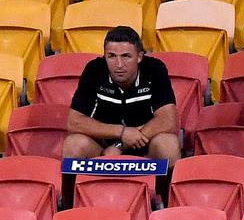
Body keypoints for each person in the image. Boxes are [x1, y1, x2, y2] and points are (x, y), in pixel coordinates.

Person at [62, 26, 181, 165]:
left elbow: (167, 120)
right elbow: (74, 122)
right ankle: (71, 187)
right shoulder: (94, 69)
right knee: (73, 144)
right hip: (103, 144)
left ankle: (166, 187)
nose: (119, 64)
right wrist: (122, 132)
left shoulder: (155, 68)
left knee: (168, 144)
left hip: (145, 141)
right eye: (112, 56)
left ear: (139, 57)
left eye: (126, 56)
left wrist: (120, 145)